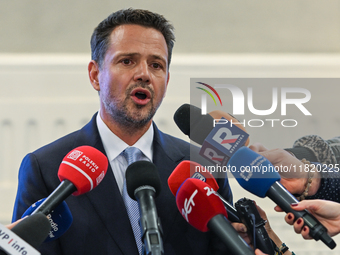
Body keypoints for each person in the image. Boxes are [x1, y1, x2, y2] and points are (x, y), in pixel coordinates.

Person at [11, 8, 234, 255]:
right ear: (95, 75)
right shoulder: (45, 169)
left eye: (156, 65)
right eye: (127, 61)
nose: (144, 75)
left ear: (166, 81)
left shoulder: (201, 167)